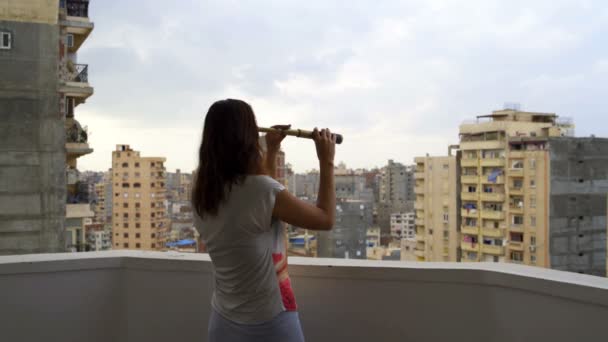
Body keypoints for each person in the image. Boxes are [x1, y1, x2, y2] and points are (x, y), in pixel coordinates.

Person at [192, 99, 336, 342]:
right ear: (247, 137)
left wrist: (270, 151)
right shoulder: (261, 191)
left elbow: (259, 204)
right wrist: (327, 160)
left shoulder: (202, 190)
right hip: (271, 318)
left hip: (223, 319)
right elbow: (325, 219)